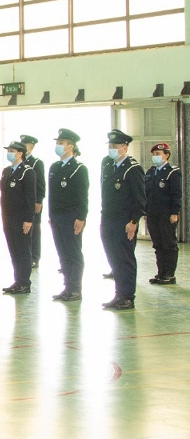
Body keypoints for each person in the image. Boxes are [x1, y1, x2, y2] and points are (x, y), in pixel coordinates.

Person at [99, 130, 145, 310]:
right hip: (108, 219)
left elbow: (140, 199)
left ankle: (127, 297)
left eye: (115, 146)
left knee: (124, 259)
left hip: (124, 221)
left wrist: (134, 221)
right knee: (114, 259)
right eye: (110, 146)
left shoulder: (133, 169)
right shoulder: (108, 166)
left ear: (125, 148)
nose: (112, 149)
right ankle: (119, 294)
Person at [48, 129, 88, 302]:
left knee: (73, 254)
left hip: (71, 217)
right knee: (63, 254)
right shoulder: (55, 167)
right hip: (57, 217)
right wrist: (51, 216)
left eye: (61, 143)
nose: (58, 146)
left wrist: (81, 218)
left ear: (71, 146)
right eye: (57, 143)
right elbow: (52, 195)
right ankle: (67, 287)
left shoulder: (79, 169)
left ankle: (75, 289)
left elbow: (83, 196)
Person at [0, 141, 37, 296]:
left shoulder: (27, 172)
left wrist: (28, 219)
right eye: (8, 150)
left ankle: (24, 283)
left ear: (20, 153)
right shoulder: (7, 171)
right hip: (8, 217)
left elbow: (30, 197)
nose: (9, 153)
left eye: (12, 151)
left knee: (23, 250)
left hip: (21, 218)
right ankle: (18, 280)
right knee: (14, 250)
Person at [145, 142, 181, 285]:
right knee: (158, 244)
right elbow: (147, 193)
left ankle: (169, 274)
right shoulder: (151, 172)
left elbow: (176, 194)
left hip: (166, 214)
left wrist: (175, 212)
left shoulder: (172, 172)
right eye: (154, 154)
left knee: (169, 244)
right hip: (152, 213)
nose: (155, 156)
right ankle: (161, 273)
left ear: (166, 155)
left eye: (158, 154)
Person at [20, 135, 46, 268]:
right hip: (22, 202)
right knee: (23, 230)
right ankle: (25, 256)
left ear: (31, 146)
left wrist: (39, 201)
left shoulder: (36, 163)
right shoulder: (20, 162)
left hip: (33, 202)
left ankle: (35, 257)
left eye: (25, 145)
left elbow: (40, 184)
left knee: (34, 230)